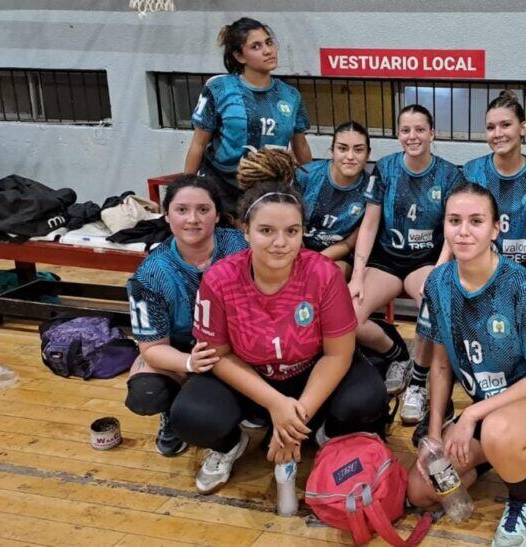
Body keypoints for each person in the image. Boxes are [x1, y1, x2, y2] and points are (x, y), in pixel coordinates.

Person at [168, 174, 388, 495]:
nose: (280, 242)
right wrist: (274, 403)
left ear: (302, 233)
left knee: (368, 399)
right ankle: (232, 443)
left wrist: (294, 423)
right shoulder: (219, 280)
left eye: (292, 231)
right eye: (266, 230)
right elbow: (218, 355)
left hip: (310, 374)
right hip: (252, 380)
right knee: (190, 416)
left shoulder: (323, 274)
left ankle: (324, 432)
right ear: (245, 230)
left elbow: (338, 353)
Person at [407, 183, 526, 547]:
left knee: (499, 430)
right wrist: (435, 436)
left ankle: (524, 501)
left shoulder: (521, 287)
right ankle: (510, 457)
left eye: (476, 221)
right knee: (422, 489)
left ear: (496, 228)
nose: (464, 231)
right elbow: (440, 366)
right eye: (455, 221)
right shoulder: (438, 282)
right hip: (492, 411)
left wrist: (470, 417)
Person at [349, 104, 463, 425]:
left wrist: (440, 270)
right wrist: (357, 276)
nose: (412, 136)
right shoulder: (385, 169)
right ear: (398, 134)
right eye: (405, 130)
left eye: (419, 130)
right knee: (347, 315)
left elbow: (451, 231)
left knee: (434, 304)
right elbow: (370, 225)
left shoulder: (450, 175)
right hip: (386, 261)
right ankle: (396, 353)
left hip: (425, 261)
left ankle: (417, 382)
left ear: (432, 133)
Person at [124, 175, 247, 457]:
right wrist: (190, 362)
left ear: (218, 215)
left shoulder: (241, 248)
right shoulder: (151, 275)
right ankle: (173, 411)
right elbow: (152, 348)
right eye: (182, 210)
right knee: (146, 393)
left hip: (238, 343)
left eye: (203, 210)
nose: (193, 219)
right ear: (167, 216)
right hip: (181, 347)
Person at [184, 17, 312, 215]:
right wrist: (187, 190)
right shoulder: (219, 88)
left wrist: (313, 184)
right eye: (256, 46)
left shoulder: (290, 95)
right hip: (222, 190)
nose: (268, 50)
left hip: (270, 192)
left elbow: (300, 145)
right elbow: (198, 144)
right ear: (239, 56)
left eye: (269, 43)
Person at [463, 90, 526, 302]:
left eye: (505, 125)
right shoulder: (472, 172)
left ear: (523, 128)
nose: (497, 133)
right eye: (491, 128)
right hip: (480, 268)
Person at [295, 121, 372, 276]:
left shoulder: (372, 189)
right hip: (296, 249)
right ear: (332, 151)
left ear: (368, 154)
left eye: (358, 150)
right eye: (342, 149)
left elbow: (349, 243)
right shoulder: (306, 176)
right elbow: (288, 224)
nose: (350, 156)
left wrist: (314, 260)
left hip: (338, 256)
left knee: (328, 273)